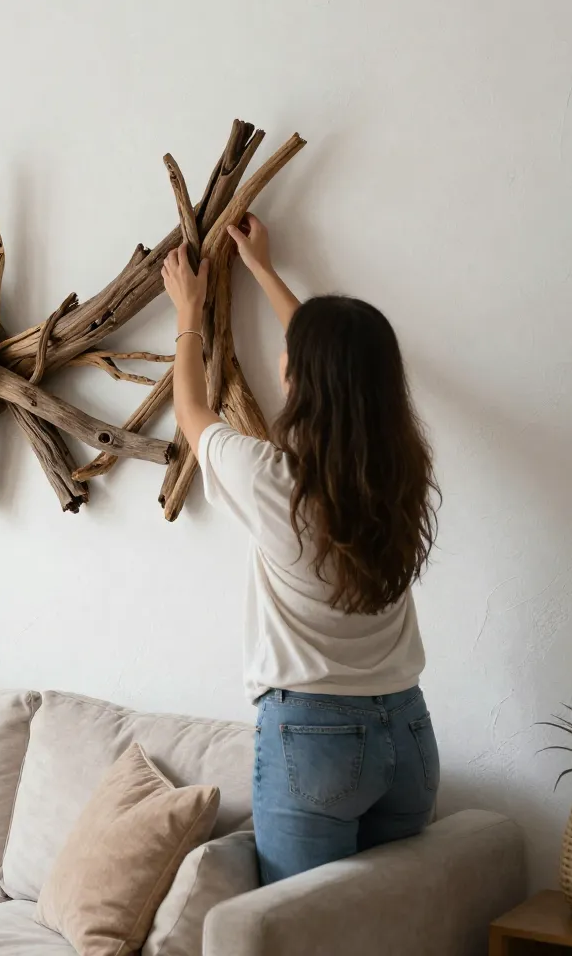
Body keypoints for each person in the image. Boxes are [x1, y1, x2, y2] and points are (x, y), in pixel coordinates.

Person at [161, 215, 441, 885]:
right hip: (408, 730)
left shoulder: (273, 481)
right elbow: (341, 366)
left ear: (300, 380)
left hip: (316, 737)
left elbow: (192, 411)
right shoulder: (401, 472)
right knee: (388, 920)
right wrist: (262, 269)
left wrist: (189, 314)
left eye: (291, 360)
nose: (282, 361)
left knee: (298, 927)